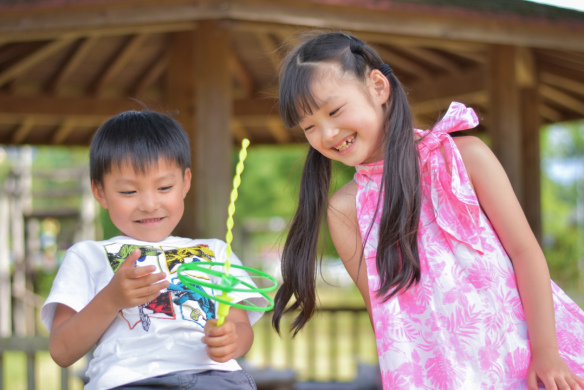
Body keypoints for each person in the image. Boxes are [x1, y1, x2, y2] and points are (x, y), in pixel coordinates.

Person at [271, 31, 584, 390]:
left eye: (335, 110)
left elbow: (524, 252)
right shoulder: (344, 210)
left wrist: (547, 352)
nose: (326, 134)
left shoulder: (463, 157)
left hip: (526, 357)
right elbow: (385, 318)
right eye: (309, 127)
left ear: (378, 86)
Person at [41, 110, 265, 390]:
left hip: (216, 379)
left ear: (185, 182)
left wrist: (231, 339)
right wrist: (110, 300)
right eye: (128, 192)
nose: (148, 204)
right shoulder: (86, 256)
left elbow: (241, 328)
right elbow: (62, 351)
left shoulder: (215, 251)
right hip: (129, 381)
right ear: (100, 192)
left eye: (164, 187)